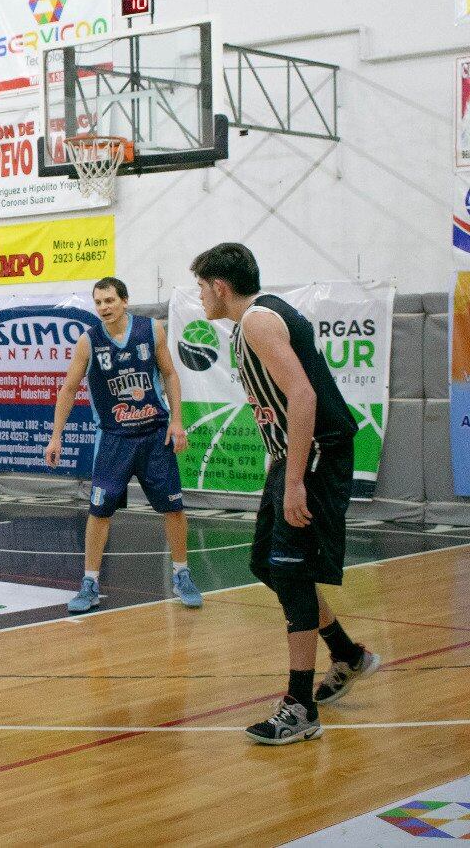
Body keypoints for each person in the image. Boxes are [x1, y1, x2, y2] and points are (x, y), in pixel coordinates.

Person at [191, 242, 381, 746]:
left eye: (201, 286)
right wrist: (280, 468)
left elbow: (304, 395)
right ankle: (346, 653)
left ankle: (300, 707)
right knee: (264, 563)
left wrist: (295, 479)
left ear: (220, 287)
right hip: (297, 455)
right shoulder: (254, 321)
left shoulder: (257, 321)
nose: (200, 296)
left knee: (291, 571)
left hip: (317, 451)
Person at [44, 277, 201, 613]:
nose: (104, 307)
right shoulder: (89, 341)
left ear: (125, 301)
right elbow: (68, 390)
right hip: (114, 439)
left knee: (173, 507)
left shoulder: (151, 330)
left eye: (110, 300)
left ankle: (182, 574)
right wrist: (56, 436)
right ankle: (89, 583)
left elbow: (170, 375)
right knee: (99, 511)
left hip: (154, 434)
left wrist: (176, 420)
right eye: (98, 302)